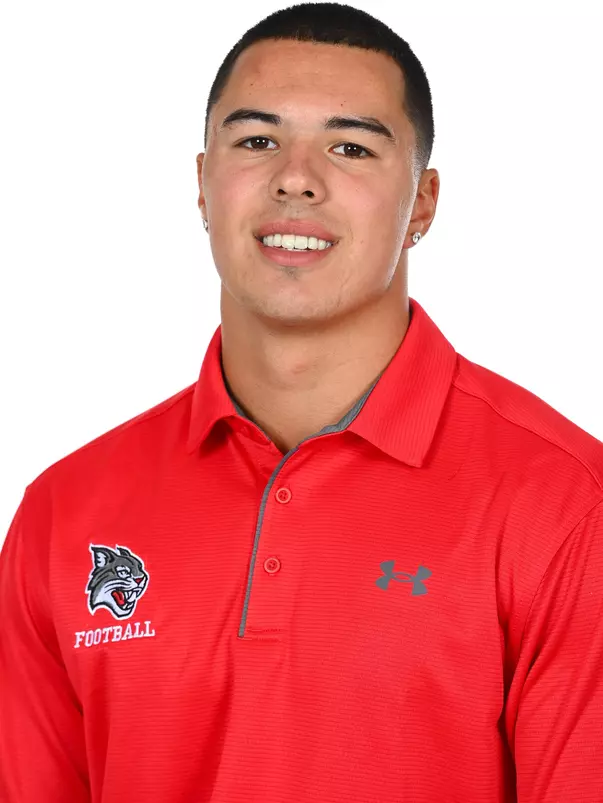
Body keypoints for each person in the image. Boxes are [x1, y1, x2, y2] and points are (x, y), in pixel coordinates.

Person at [1, 2, 602, 801]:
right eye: (256, 141)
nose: (295, 176)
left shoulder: (563, 504)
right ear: (202, 184)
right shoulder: (63, 513)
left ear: (421, 205)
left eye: (350, 147)